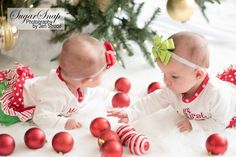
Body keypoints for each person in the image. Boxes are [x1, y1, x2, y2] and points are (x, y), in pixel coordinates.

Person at [108, 31, 236, 132]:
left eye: (174, 76)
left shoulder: (214, 95)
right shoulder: (174, 89)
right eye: (164, 73)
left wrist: (195, 125)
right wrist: (130, 113)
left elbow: (220, 123)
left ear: (198, 75)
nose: (166, 81)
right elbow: (154, 100)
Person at [0, 33, 116, 130]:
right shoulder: (55, 95)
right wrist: (64, 123)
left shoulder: (79, 84)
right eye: (102, 72)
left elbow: (95, 91)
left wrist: (111, 98)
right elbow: (40, 117)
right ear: (88, 80)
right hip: (9, 100)